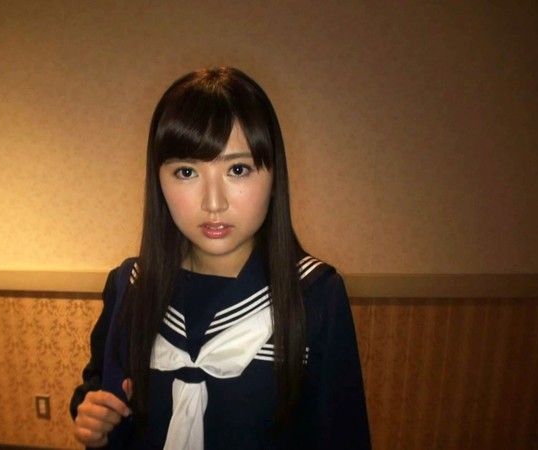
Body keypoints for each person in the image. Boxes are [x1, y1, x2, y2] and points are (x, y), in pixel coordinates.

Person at [70, 67, 371, 449]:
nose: (214, 203)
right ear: (158, 181)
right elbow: (101, 388)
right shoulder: (131, 285)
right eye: (186, 172)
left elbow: (341, 435)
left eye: (238, 169)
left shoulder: (314, 295)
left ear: (274, 175)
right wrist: (92, 417)